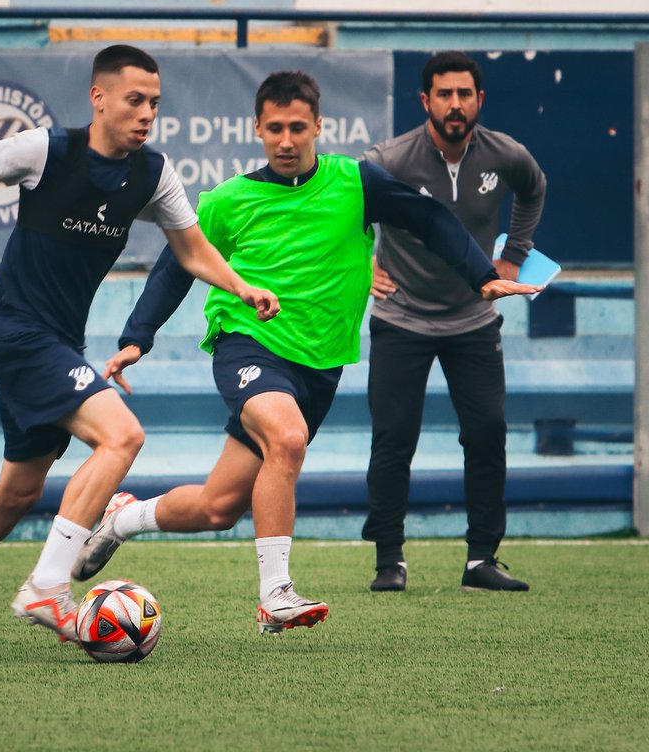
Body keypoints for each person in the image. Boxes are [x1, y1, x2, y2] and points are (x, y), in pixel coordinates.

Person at [69, 70, 540, 633]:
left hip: (319, 365)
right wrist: (134, 339)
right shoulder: (228, 200)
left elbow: (430, 218)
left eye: (298, 127)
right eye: (275, 129)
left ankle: (125, 518)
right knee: (287, 438)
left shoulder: (355, 182)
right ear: (258, 130)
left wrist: (481, 275)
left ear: (319, 126)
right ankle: (276, 595)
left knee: (218, 508)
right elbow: (175, 267)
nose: (286, 140)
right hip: (249, 342)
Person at [0, 45, 278, 656]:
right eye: (135, 100)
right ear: (99, 98)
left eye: (154, 103)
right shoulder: (45, 149)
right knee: (122, 436)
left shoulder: (153, 174)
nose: (146, 113)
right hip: (17, 333)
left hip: (58, 343)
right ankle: (48, 584)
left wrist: (240, 285)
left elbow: (191, 248)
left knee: (18, 491)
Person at [362, 51, 547, 594]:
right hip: (402, 317)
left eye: (465, 94)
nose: (455, 104)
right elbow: (345, 201)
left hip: (473, 318)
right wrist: (361, 263)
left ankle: (481, 561)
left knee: (487, 432)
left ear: (479, 101)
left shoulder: (505, 154)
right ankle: (389, 560)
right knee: (394, 438)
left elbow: (534, 188)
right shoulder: (391, 159)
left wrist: (515, 251)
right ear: (425, 102)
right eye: (444, 94)